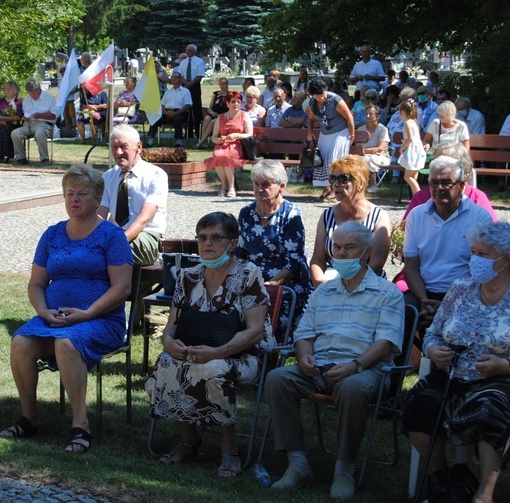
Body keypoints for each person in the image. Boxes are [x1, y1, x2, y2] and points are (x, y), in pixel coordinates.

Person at [264, 221, 404, 499]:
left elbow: (386, 342)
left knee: (352, 389)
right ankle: (298, 463)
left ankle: (344, 467)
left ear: (366, 252)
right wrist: (304, 357)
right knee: (277, 379)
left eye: (349, 248)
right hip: (320, 366)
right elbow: (304, 333)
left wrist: (355, 365)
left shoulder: (387, 293)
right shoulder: (324, 291)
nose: (341, 254)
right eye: (336, 248)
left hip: (365, 369)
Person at [3, 164, 133, 453]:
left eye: (82, 194)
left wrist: (87, 313)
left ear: (99, 199)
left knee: (66, 343)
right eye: (69, 193)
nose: (74, 199)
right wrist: (42, 311)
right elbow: (36, 284)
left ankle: (80, 425)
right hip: (54, 318)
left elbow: (122, 288)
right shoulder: (52, 234)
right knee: (20, 342)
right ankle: (29, 417)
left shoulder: (113, 236)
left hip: (101, 320)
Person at [147, 212, 271, 478]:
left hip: (242, 354)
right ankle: (189, 442)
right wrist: (169, 344)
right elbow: (172, 324)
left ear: (233, 243)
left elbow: (256, 330)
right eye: (202, 237)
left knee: (212, 370)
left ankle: (230, 449)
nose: (208, 244)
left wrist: (217, 352)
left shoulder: (248, 274)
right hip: (196, 349)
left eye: (216, 237)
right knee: (168, 364)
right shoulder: (188, 276)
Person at [402, 221, 510, 503]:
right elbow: (435, 332)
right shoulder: (461, 288)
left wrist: (504, 366)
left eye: (483, 254)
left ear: (506, 259)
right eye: (473, 252)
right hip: (452, 375)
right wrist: (434, 349)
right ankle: (441, 483)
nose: (475, 260)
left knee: (490, 407)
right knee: (419, 401)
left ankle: (484, 495)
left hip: (499, 381)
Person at [402, 156, 493, 330]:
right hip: (424, 292)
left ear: (462, 185)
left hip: (466, 293)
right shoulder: (416, 216)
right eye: (434, 183)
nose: (440, 188)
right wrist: (423, 301)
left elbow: (483, 270)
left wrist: (448, 304)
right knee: (401, 312)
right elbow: (411, 266)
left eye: (447, 182)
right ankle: (407, 357)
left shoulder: (480, 217)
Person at [235, 160, 312, 338]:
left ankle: (269, 351)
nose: (260, 189)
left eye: (266, 185)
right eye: (256, 184)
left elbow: (294, 264)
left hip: (284, 281)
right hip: (252, 279)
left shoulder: (291, 215)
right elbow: (239, 253)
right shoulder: (246, 213)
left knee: (275, 301)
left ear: (281, 186)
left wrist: (270, 285)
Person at [309, 155, 392, 287]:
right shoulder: (327, 215)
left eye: (343, 179)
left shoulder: (379, 216)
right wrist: (319, 283)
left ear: (361, 183)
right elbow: (318, 259)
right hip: (331, 284)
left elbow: (376, 263)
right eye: (333, 178)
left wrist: (348, 288)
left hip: (368, 285)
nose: (336, 184)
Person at [97, 125, 168, 266]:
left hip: (146, 235)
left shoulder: (155, 175)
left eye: (123, 147)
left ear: (138, 147)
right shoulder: (108, 176)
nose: (118, 152)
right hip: (114, 234)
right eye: (114, 147)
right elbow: (100, 215)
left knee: (116, 251)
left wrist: (119, 240)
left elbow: (144, 219)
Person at [306, 78, 356, 199]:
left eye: (322, 95)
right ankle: (326, 188)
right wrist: (310, 132)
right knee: (322, 161)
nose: (321, 98)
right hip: (325, 133)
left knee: (333, 161)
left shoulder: (335, 100)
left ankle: (336, 190)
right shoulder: (312, 103)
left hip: (340, 132)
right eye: (317, 97)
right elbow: (311, 119)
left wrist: (352, 134)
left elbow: (349, 117)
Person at [204, 91, 253, 198]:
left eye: (238, 102)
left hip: (238, 145)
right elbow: (214, 137)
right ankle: (224, 186)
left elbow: (249, 134)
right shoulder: (220, 118)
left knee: (226, 157)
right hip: (223, 145)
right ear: (227, 103)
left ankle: (231, 187)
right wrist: (219, 140)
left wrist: (236, 135)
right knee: (218, 155)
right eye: (233, 102)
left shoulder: (244, 115)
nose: (236, 104)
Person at [11, 79, 56, 165]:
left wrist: (40, 115)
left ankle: (44, 159)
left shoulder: (48, 97)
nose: (32, 95)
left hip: (44, 124)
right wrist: (25, 118)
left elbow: (54, 115)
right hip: (29, 124)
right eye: (30, 93)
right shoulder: (27, 99)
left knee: (39, 133)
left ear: (39, 89)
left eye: (34, 93)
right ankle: (21, 158)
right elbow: (26, 114)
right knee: (15, 133)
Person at [146, 72, 192, 148]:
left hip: (179, 112)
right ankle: (150, 140)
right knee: (155, 118)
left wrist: (176, 113)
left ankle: (179, 141)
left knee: (178, 119)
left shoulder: (185, 91)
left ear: (180, 79)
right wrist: (165, 112)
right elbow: (162, 104)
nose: (173, 78)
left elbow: (187, 105)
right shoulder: (168, 92)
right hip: (166, 112)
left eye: (176, 77)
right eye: (172, 77)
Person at [358, 104, 391, 193]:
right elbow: (357, 148)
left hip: (382, 156)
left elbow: (380, 148)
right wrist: (368, 150)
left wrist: (364, 150)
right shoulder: (361, 129)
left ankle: (373, 185)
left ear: (378, 116)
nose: (368, 116)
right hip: (363, 156)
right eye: (366, 114)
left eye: (371, 114)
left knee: (367, 158)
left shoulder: (382, 129)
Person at [397, 99, 427, 197]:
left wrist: (402, 148)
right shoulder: (414, 122)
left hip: (412, 153)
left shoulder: (407, 123)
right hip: (418, 152)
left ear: (402, 111)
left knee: (407, 177)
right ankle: (415, 201)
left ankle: (419, 198)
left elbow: (410, 138)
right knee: (413, 177)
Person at [177, 44, 205, 140]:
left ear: (194, 51)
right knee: (186, 108)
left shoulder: (199, 61)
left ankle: (198, 132)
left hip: (195, 86)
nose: (187, 52)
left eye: (189, 50)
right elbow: (180, 75)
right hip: (185, 86)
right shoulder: (183, 62)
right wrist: (186, 83)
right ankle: (188, 133)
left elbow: (200, 74)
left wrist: (192, 83)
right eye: (186, 50)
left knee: (196, 109)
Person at [195, 77, 230, 149]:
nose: (222, 86)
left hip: (224, 115)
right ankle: (203, 141)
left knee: (213, 122)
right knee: (207, 118)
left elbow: (230, 109)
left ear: (227, 84)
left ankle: (200, 142)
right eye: (220, 84)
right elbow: (210, 108)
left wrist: (221, 115)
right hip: (214, 113)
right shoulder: (216, 94)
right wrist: (212, 113)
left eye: (224, 84)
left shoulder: (230, 95)